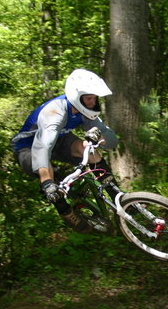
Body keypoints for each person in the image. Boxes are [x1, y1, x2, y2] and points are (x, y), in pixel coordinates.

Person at [11, 69, 119, 232]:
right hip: (28, 147)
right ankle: (66, 212)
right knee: (50, 180)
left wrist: (100, 138)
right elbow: (43, 146)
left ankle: (117, 197)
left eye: (94, 98)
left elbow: (110, 138)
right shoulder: (55, 111)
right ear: (77, 97)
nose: (92, 102)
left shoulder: (84, 112)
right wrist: (47, 183)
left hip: (59, 140)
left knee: (89, 150)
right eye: (89, 98)